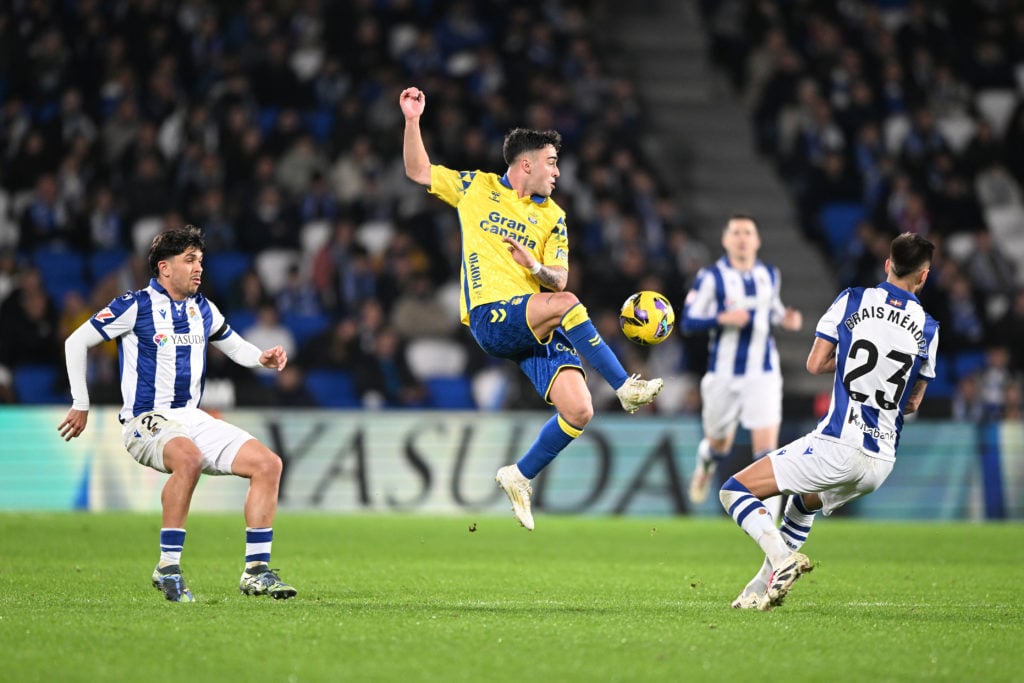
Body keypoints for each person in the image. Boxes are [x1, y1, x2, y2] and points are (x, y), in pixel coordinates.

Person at [399, 86, 664, 530]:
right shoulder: (475, 188)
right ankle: (624, 385)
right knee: (568, 305)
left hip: (532, 318)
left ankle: (519, 475)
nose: (558, 172)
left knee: (579, 410)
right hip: (493, 317)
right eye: (552, 162)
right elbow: (418, 170)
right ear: (526, 164)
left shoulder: (553, 216)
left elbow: (559, 278)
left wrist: (534, 264)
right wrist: (411, 121)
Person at [57, 225, 297, 603]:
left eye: (200, 259)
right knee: (189, 458)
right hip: (144, 420)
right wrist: (81, 402)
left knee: (268, 464)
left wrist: (261, 358)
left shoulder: (203, 309)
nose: (198, 267)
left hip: (191, 416)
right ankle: (168, 566)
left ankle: (256, 572)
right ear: (164, 268)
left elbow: (234, 346)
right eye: (189, 260)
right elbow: (76, 341)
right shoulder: (134, 305)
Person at [720, 232, 938, 610]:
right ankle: (760, 589)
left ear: (888, 264)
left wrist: (853, 361)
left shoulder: (853, 300)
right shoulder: (929, 328)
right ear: (923, 276)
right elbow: (913, 401)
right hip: (881, 461)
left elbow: (815, 363)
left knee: (734, 490)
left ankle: (782, 559)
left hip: (840, 443)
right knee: (805, 503)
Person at [681, 214, 803, 517]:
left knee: (766, 452)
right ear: (725, 240)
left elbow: (771, 310)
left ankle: (771, 533)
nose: (742, 238)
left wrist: (785, 320)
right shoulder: (711, 277)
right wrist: (722, 318)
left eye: (748, 232)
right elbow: (688, 321)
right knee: (719, 445)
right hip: (723, 374)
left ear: (757, 240)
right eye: (735, 232)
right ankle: (705, 463)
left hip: (763, 374)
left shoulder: (770, 275)